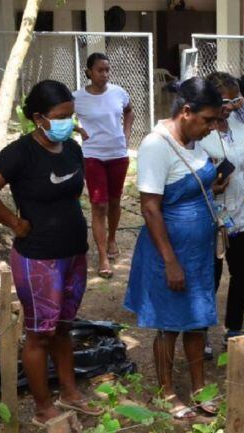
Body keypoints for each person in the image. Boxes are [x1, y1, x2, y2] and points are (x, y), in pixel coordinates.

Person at [0, 80, 94, 424]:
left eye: (71, 115)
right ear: (39, 118)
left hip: (74, 254)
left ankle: (70, 393)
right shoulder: (20, 152)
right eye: (60, 116)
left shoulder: (71, 149)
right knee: (41, 334)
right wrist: (14, 222)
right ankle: (43, 407)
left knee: (64, 328)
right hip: (39, 259)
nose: (68, 122)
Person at [124, 77, 228, 416]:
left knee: (198, 319)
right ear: (186, 112)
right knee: (169, 323)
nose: (213, 128)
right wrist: (170, 261)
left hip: (199, 251)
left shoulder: (195, 141)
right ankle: (166, 390)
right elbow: (150, 207)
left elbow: (194, 184)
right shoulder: (156, 145)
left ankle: (199, 388)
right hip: (169, 250)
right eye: (208, 120)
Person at [200, 72, 244, 348]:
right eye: (223, 100)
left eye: (234, 100)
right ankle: (203, 330)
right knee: (211, 275)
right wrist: (211, 188)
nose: (228, 106)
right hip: (211, 215)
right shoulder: (200, 132)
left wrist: (243, 107)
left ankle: (234, 327)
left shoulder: (242, 126)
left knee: (242, 273)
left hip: (241, 213)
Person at [73, 52, 135, 280]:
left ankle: (111, 238)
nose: (105, 74)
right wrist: (76, 129)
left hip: (118, 154)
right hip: (93, 156)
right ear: (89, 72)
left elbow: (129, 111)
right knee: (99, 205)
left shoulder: (118, 92)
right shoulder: (77, 97)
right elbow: (60, 116)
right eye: (100, 70)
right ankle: (102, 256)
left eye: (107, 70)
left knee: (115, 201)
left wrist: (127, 133)